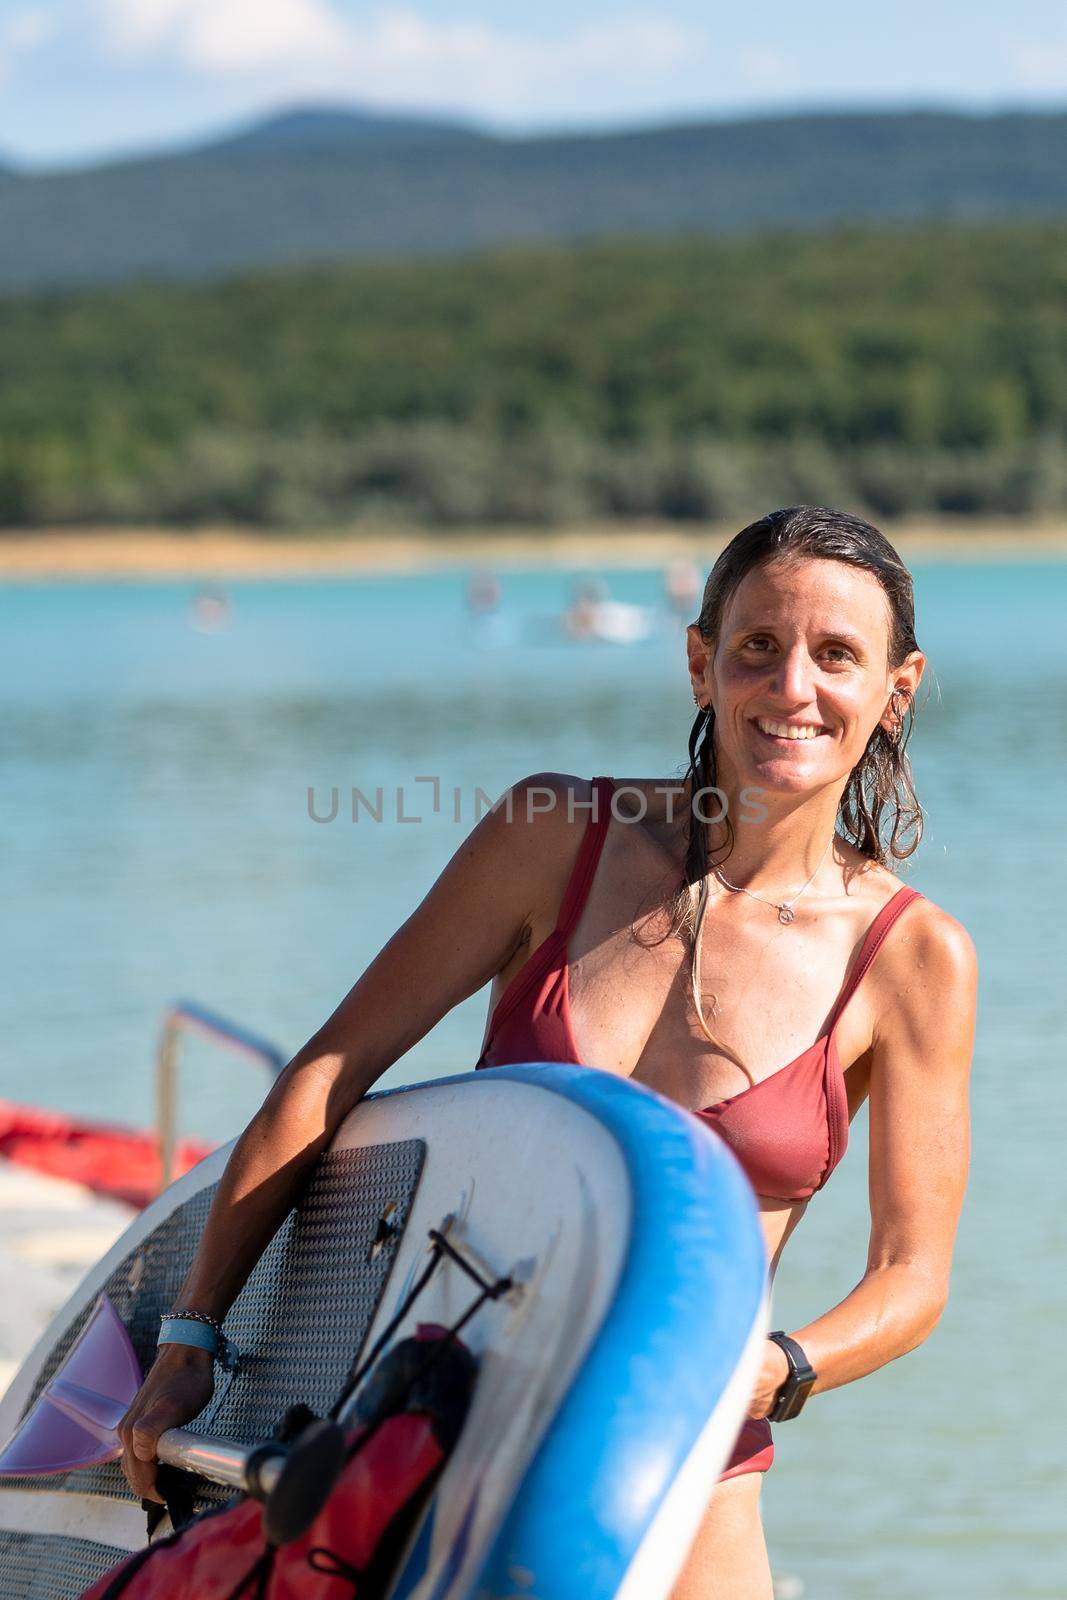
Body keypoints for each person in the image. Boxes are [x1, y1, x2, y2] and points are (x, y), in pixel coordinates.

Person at [119, 506, 976, 1600]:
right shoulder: (552, 838)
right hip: (449, 1437)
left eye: (836, 654)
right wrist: (193, 1334)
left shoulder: (911, 957)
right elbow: (331, 1073)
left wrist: (770, 1370)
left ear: (895, 689)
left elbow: (910, 1274)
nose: (790, 687)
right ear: (699, 660)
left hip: (689, 1473)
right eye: (756, 646)